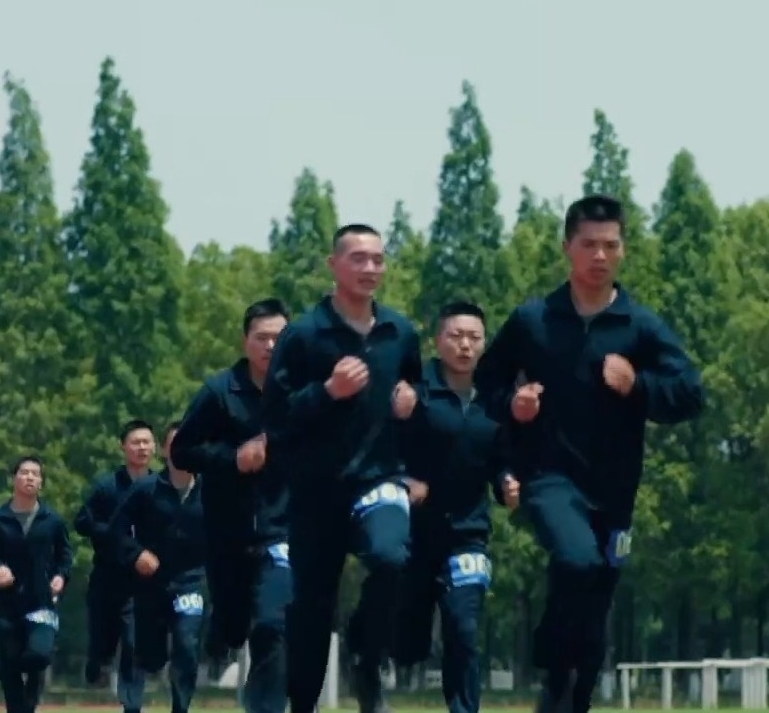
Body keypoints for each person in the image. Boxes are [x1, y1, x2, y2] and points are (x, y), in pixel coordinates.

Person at [475, 194, 705, 713]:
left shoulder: (639, 327)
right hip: (549, 478)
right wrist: (513, 403)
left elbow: (691, 393)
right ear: (568, 248)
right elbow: (485, 385)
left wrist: (638, 385)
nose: (600, 255)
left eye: (611, 245)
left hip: (615, 490)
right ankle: (552, 671)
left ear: (623, 250)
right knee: (576, 560)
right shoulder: (533, 320)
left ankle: (569, 696)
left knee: (597, 603)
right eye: (589, 245)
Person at [261, 223, 423, 713]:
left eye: (377, 259)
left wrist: (413, 400)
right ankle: (302, 703)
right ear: (333, 265)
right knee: (311, 609)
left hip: (379, 479)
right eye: (358, 258)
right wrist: (327, 392)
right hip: (316, 492)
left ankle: (364, 653)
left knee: (391, 559)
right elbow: (276, 418)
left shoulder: (400, 333)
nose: (369, 268)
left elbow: (418, 395)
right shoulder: (304, 335)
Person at [389, 301, 515, 713]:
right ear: (437, 339)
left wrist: (507, 483)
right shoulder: (413, 391)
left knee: (463, 628)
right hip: (413, 536)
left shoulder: (496, 398)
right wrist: (403, 480)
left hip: (468, 534)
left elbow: (502, 458)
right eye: (456, 336)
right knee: (407, 644)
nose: (465, 345)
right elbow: (380, 449)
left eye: (474, 337)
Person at [171, 297, 291, 713]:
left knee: (274, 624)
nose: (271, 346)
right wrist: (232, 458)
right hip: (228, 533)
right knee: (235, 624)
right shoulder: (220, 392)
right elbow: (183, 451)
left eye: (279, 338)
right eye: (262, 338)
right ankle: (221, 632)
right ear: (246, 342)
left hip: (282, 529)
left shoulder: (302, 393)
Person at [110, 443, 207, 713]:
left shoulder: (211, 490)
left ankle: (181, 707)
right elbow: (116, 530)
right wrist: (136, 554)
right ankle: (132, 707)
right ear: (165, 451)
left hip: (190, 581)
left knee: (186, 642)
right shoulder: (146, 489)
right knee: (147, 655)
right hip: (149, 584)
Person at [0, 456, 73, 713]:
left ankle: (31, 697)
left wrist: (61, 576)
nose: (30, 477)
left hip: (42, 602)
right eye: (24, 472)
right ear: (14, 478)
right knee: (9, 665)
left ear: (41, 482)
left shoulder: (52, 520)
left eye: (35, 474)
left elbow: (65, 556)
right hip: (7, 605)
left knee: (38, 655)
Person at [73, 419, 156, 713]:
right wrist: (111, 534)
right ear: (123, 447)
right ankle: (97, 660)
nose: (142, 447)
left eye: (147, 442)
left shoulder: (161, 486)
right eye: (136, 442)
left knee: (135, 643)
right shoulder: (107, 487)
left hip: (142, 582)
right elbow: (82, 522)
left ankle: (132, 706)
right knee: (103, 642)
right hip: (107, 578)